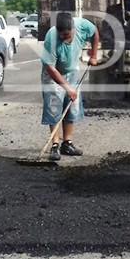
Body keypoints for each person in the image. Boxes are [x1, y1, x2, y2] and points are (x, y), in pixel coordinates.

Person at [40, 12, 99, 159]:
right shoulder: (51, 38)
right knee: (54, 108)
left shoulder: (82, 25)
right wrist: (67, 89)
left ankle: (67, 143)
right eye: (62, 35)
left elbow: (95, 32)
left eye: (67, 35)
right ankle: (55, 145)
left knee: (71, 107)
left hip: (71, 72)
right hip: (53, 74)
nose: (64, 38)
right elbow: (50, 68)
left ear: (73, 28)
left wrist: (94, 55)